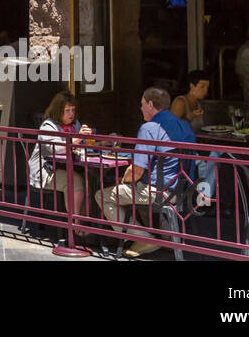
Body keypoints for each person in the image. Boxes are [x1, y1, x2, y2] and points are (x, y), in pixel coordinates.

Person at [95, 87, 183, 257]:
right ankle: (166, 236)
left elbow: (136, 171)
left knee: (102, 195)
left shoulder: (149, 128)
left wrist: (124, 180)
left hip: (159, 191)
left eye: (142, 104)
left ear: (150, 104)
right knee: (137, 190)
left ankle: (144, 238)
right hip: (183, 189)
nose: (140, 108)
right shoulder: (182, 124)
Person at [28, 91, 92, 217]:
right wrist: (77, 139)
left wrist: (102, 142)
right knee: (74, 180)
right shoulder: (48, 126)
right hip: (46, 171)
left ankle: (87, 221)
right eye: (67, 110)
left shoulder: (75, 124)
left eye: (73, 110)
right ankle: (76, 224)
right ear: (58, 111)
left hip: (68, 166)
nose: (71, 114)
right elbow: (56, 149)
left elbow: (83, 144)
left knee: (90, 180)